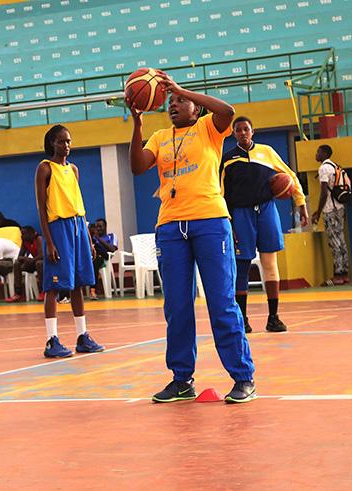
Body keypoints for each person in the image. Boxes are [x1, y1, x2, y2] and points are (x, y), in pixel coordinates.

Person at [127, 73, 256, 403]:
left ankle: (243, 377)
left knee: (221, 301)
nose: (173, 104)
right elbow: (137, 166)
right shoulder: (159, 136)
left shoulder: (209, 129)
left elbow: (227, 110)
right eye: (170, 102)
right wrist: (137, 124)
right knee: (177, 306)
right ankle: (182, 379)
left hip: (210, 221)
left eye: (179, 101)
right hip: (170, 226)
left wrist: (183, 90)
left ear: (196, 108)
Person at [220, 115, 308, 333]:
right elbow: (219, 193)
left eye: (246, 129)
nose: (242, 133)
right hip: (240, 214)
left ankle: (273, 317)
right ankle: (243, 319)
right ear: (233, 133)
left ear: (253, 131)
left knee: (270, 263)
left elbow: (290, 176)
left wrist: (301, 202)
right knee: (242, 266)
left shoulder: (267, 152)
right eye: (238, 130)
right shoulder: (228, 159)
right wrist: (226, 220)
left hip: (267, 210)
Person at [35, 125, 105, 358]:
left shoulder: (74, 169)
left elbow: (79, 205)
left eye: (68, 141)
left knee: (78, 283)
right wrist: (50, 242)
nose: (66, 145)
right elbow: (41, 209)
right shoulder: (45, 168)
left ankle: (82, 336)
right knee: (54, 286)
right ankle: (51, 340)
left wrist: (89, 239)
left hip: (77, 227)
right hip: (58, 227)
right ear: (52, 143)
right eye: (61, 141)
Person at [311, 144, 350, 285]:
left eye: (318, 152)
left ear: (323, 153)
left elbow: (324, 193)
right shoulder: (336, 166)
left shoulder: (324, 168)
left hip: (330, 209)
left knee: (334, 242)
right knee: (341, 240)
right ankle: (345, 274)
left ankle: (338, 276)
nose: (316, 154)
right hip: (340, 208)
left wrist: (318, 212)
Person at [6, 225, 45, 302]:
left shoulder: (38, 239)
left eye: (23, 234)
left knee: (39, 263)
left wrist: (30, 260)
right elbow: (20, 257)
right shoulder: (25, 242)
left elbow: (42, 255)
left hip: (45, 263)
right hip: (34, 262)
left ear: (31, 234)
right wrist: (26, 260)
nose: (21, 236)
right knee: (17, 264)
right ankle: (18, 293)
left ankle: (43, 291)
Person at [91, 218, 118, 299]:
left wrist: (98, 238)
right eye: (96, 227)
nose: (98, 228)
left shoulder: (111, 236)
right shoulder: (92, 239)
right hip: (92, 258)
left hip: (104, 259)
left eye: (100, 226)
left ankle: (93, 290)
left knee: (96, 259)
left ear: (105, 226)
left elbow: (112, 249)